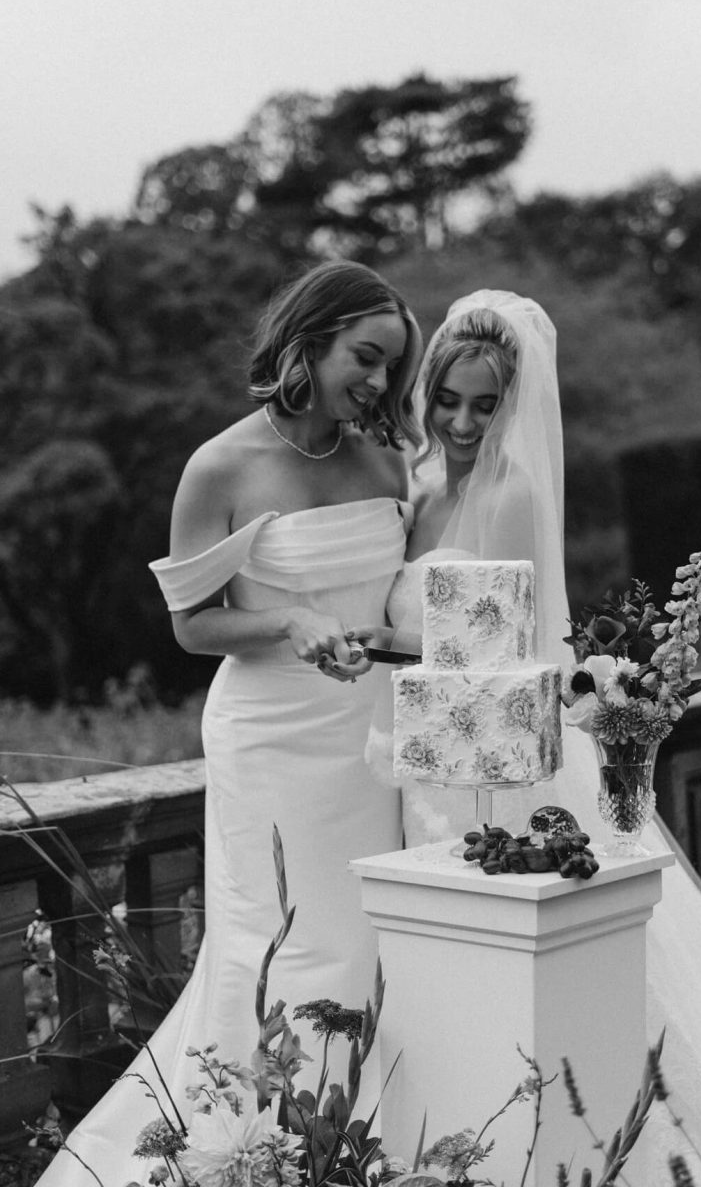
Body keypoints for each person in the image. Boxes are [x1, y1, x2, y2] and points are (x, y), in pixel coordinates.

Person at [365, 289, 701, 1183]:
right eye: (446, 399)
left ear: (511, 405)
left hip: (494, 762)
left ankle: (579, 1124)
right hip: (421, 752)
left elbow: (496, 650)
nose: (459, 421)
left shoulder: (508, 493)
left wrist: (380, 647)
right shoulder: (420, 491)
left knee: (542, 957)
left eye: (484, 404)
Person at [37, 261, 423, 1186]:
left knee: (372, 934)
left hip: (372, 735)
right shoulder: (221, 464)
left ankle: (365, 1145)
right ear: (309, 340)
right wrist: (289, 620)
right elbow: (190, 622)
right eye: (363, 359)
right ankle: (258, 1151)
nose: (376, 384)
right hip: (273, 736)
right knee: (284, 935)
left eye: (390, 370)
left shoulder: (387, 457)